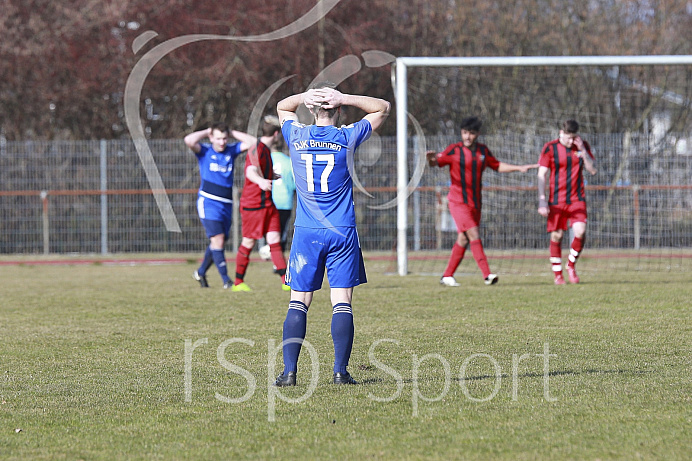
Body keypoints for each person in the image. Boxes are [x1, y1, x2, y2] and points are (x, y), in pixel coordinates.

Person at [273, 82, 390, 386]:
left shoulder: (296, 135)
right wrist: (346, 97)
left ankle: (289, 373)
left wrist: (303, 97)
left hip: (306, 232)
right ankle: (340, 371)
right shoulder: (347, 137)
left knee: (298, 302)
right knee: (342, 303)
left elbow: (281, 108)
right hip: (342, 230)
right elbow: (382, 107)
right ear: (338, 108)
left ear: (310, 109)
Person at [426, 117, 538, 287]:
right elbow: (435, 163)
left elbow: (497, 165)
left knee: (463, 239)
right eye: (464, 133)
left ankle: (447, 275)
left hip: (476, 203)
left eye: (471, 133)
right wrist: (430, 159)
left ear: (477, 134)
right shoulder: (454, 150)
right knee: (473, 234)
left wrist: (518, 168)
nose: (467, 137)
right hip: (458, 202)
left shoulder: (482, 151)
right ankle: (487, 275)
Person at [185, 122, 256, 289]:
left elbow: (253, 142)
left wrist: (232, 131)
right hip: (209, 202)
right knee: (218, 240)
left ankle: (201, 272)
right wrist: (206, 131)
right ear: (211, 138)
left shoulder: (231, 151)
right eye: (218, 138)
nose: (222, 142)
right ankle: (226, 281)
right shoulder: (205, 151)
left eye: (224, 138)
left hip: (226, 204)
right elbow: (188, 140)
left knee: (219, 242)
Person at [231, 116, 289, 292]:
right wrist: (260, 181)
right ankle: (238, 282)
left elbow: (260, 171)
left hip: (267, 204)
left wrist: (271, 176)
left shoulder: (266, 150)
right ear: (276, 134)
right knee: (248, 242)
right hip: (253, 205)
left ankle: (286, 281)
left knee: (275, 241)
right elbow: (250, 171)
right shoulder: (257, 149)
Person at [537, 119, 597, 284]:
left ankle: (571, 265)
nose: (571, 141)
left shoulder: (581, 146)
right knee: (557, 235)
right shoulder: (550, 148)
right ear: (561, 133)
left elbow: (592, 170)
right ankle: (558, 275)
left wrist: (583, 151)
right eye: (568, 138)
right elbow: (541, 175)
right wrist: (542, 200)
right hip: (556, 200)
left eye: (574, 137)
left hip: (577, 198)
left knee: (581, 231)